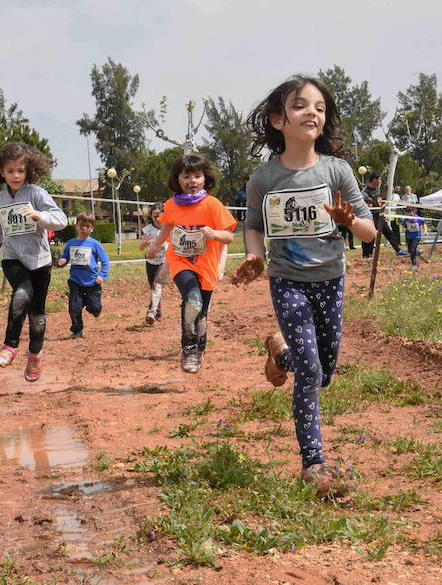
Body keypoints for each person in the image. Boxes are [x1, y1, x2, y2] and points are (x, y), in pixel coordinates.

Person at [235, 74, 376, 497]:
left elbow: (369, 232)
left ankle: (281, 355)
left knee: (324, 371)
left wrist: (350, 222)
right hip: (288, 281)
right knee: (311, 370)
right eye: (300, 105)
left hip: (331, 281)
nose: (311, 112)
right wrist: (254, 255)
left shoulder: (337, 172)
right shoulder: (265, 179)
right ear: (278, 120)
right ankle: (313, 464)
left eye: (318, 106)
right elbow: (254, 227)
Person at [0, 142, 68, 380]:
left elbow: (61, 219)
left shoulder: (36, 194)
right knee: (21, 294)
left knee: (36, 316)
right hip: (12, 256)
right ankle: (9, 347)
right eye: (10, 170)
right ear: (1, 171)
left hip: (40, 261)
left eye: (20, 171)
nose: (15, 175)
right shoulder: (0, 198)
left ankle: (34, 355)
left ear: (28, 171)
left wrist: (40, 216)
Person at [146, 153, 236, 374]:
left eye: (197, 176)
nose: (192, 181)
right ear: (177, 179)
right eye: (186, 176)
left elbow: (229, 236)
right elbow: (167, 226)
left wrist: (214, 233)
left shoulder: (213, 205)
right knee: (192, 299)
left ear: (205, 178)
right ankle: (188, 349)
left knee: (202, 314)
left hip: (206, 266)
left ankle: (200, 347)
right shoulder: (172, 205)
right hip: (180, 262)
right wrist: (156, 247)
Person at [57, 211, 109, 339]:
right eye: (82, 226)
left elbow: (105, 261)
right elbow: (65, 257)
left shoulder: (95, 244)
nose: (84, 229)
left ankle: (95, 309)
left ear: (92, 228)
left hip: (92, 282)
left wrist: (102, 275)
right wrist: (62, 261)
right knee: (74, 309)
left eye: (88, 227)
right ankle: (77, 330)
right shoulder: (71, 243)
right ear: (76, 226)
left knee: (94, 307)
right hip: (76, 281)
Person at [362, 175, 406, 258]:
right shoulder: (365, 191)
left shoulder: (377, 190)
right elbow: (363, 204)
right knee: (370, 235)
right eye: (379, 179)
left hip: (379, 215)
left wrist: (384, 213)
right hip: (370, 216)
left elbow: (380, 203)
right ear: (374, 180)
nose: (380, 181)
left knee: (389, 232)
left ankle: (398, 250)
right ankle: (367, 255)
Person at [139, 203, 168, 324]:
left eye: (159, 215)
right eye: (154, 216)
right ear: (151, 216)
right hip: (150, 262)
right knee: (153, 288)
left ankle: (151, 311)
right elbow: (141, 248)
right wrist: (145, 244)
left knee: (157, 285)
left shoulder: (168, 228)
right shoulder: (148, 229)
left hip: (164, 262)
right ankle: (158, 311)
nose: (157, 219)